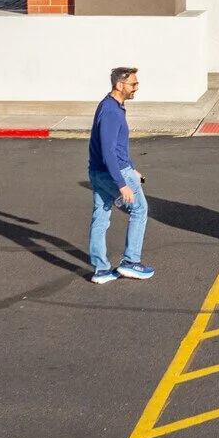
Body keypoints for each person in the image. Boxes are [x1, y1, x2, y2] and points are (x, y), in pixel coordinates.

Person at [87, 66, 154, 284]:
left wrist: (132, 167)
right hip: (113, 173)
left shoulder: (110, 105)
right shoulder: (112, 112)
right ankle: (131, 262)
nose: (136, 88)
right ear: (119, 85)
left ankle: (101, 269)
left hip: (98, 172)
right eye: (133, 84)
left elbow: (117, 147)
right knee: (139, 210)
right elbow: (108, 150)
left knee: (101, 215)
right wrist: (122, 183)